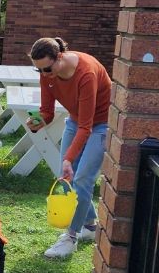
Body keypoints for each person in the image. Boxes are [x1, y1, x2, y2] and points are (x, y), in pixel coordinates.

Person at [28, 36, 112, 260]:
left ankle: (70, 238)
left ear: (60, 57)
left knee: (82, 179)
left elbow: (88, 126)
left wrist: (68, 158)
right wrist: (38, 122)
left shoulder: (86, 74)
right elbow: (47, 111)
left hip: (101, 125)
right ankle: (90, 226)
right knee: (66, 178)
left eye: (47, 69)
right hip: (76, 122)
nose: (44, 75)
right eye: (39, 71)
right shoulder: (48, 75)